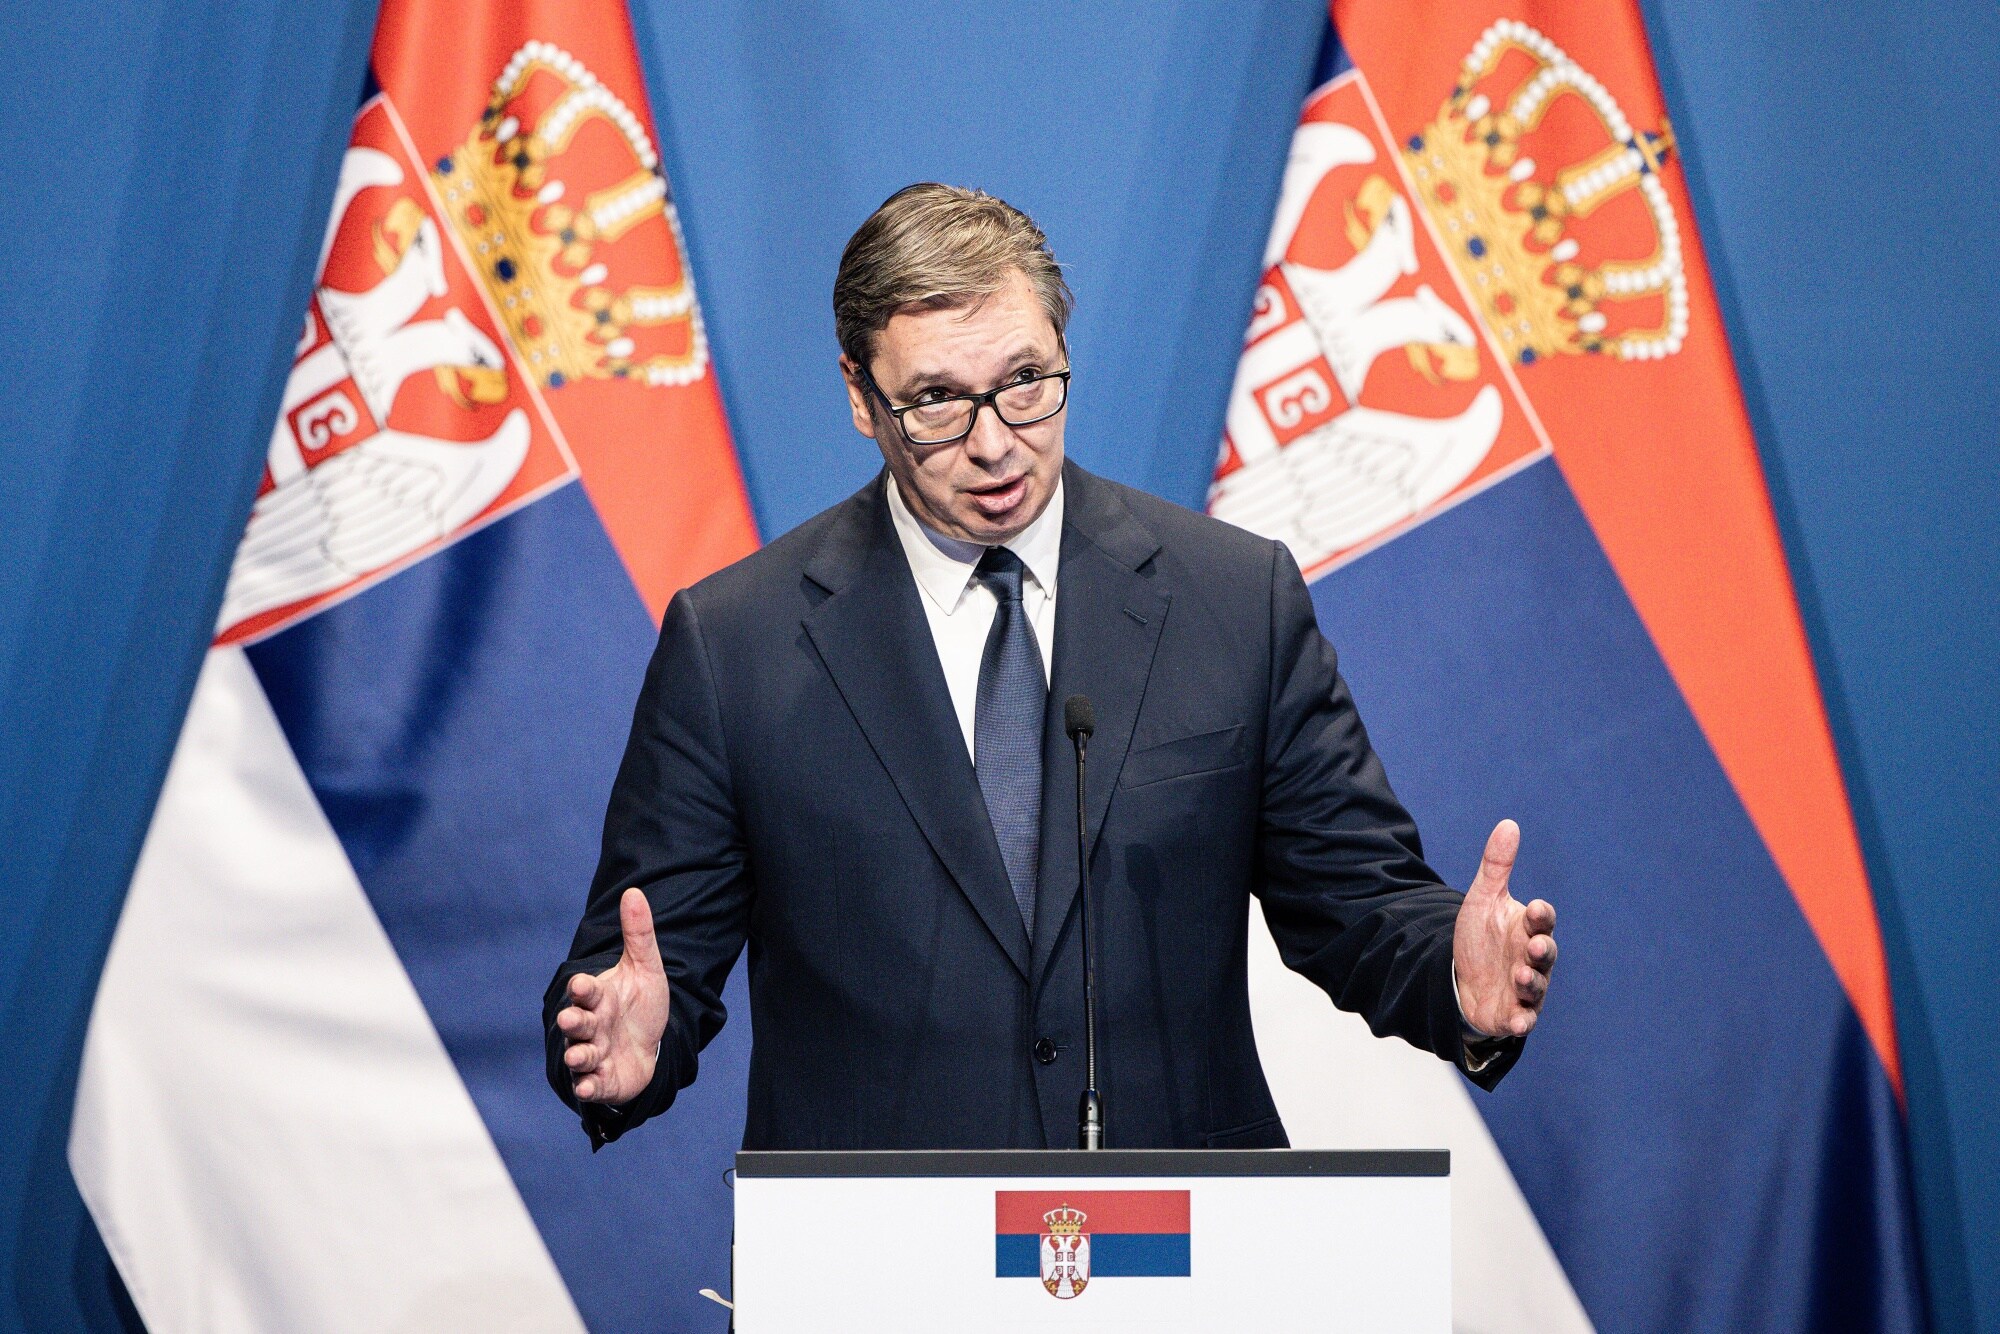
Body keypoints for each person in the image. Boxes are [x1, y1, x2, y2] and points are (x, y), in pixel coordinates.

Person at [544, 183, 1558, 1151]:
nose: (995, 444)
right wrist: (616, 1043)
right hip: (882, 1241)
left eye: (1025, 381)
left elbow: (1356, 900)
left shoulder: (1231, 599)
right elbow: (643, 963)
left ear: (1063, 351)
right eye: (937, 400)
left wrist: (1452, 972)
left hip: (1176, 1230)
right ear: (860, 395)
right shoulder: (737, 645)